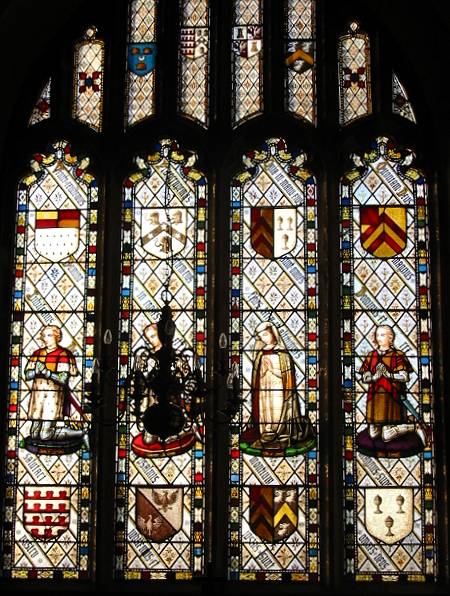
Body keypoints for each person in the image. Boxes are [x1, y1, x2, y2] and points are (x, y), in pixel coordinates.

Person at [241, 321, 313, 449]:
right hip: (264, 390)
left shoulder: (283, 354)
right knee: (266, 411)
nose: (264, 338)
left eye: (266, 334)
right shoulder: (260, 354)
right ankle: (267, 431)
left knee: (278, 409)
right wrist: (263, 373)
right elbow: (257, 377)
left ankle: (281, 433)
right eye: (262, 336)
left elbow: (287, 375)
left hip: (279, 390)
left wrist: (272, 369)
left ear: (273, 334)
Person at [359, 324, 426, 445]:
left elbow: (405, 376)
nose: (379, 337)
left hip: (392, 398)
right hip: (374, 398)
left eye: (383, 335)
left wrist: (389, 375)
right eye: (377, 334)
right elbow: (365, 377)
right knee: (373, 434)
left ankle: (414, 426)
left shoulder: (397, 355)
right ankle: (410, 420)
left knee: (386, 435)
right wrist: (375, 377)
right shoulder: (371, 355)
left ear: (391, 338)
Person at [25, 325, 85, 443]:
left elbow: (63, 379)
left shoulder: (63, 354)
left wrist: (47, 373)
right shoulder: (37, 353)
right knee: (34, 434)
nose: (45, 338)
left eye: (49, 335)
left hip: (53, 397)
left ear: (57, 337)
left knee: (45, 435)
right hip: (37, 396)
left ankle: (81, 433)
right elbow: (27, 376)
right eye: (44, 335)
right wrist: (35, 372)